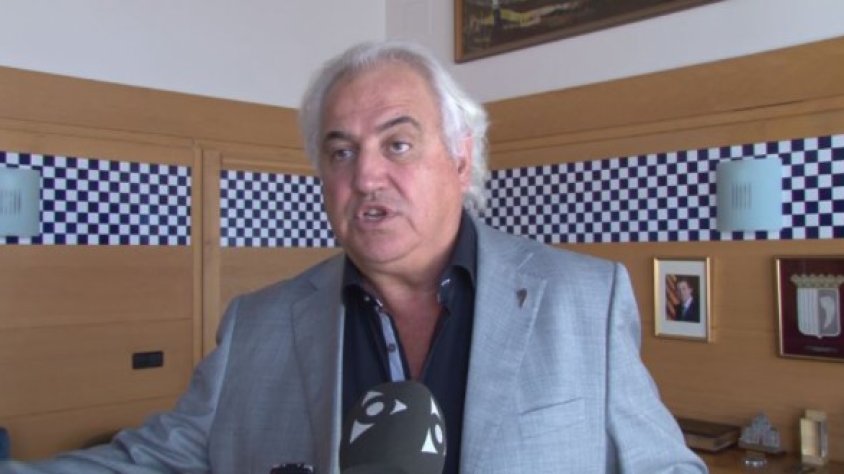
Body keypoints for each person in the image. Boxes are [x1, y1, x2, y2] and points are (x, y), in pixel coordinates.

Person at [0, 41, 706, 473]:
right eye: (341, 152)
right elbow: (152, 461)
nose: (366, 175)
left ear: (460, 159)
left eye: (398, 144)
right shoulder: (256, 326)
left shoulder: (584, 300)